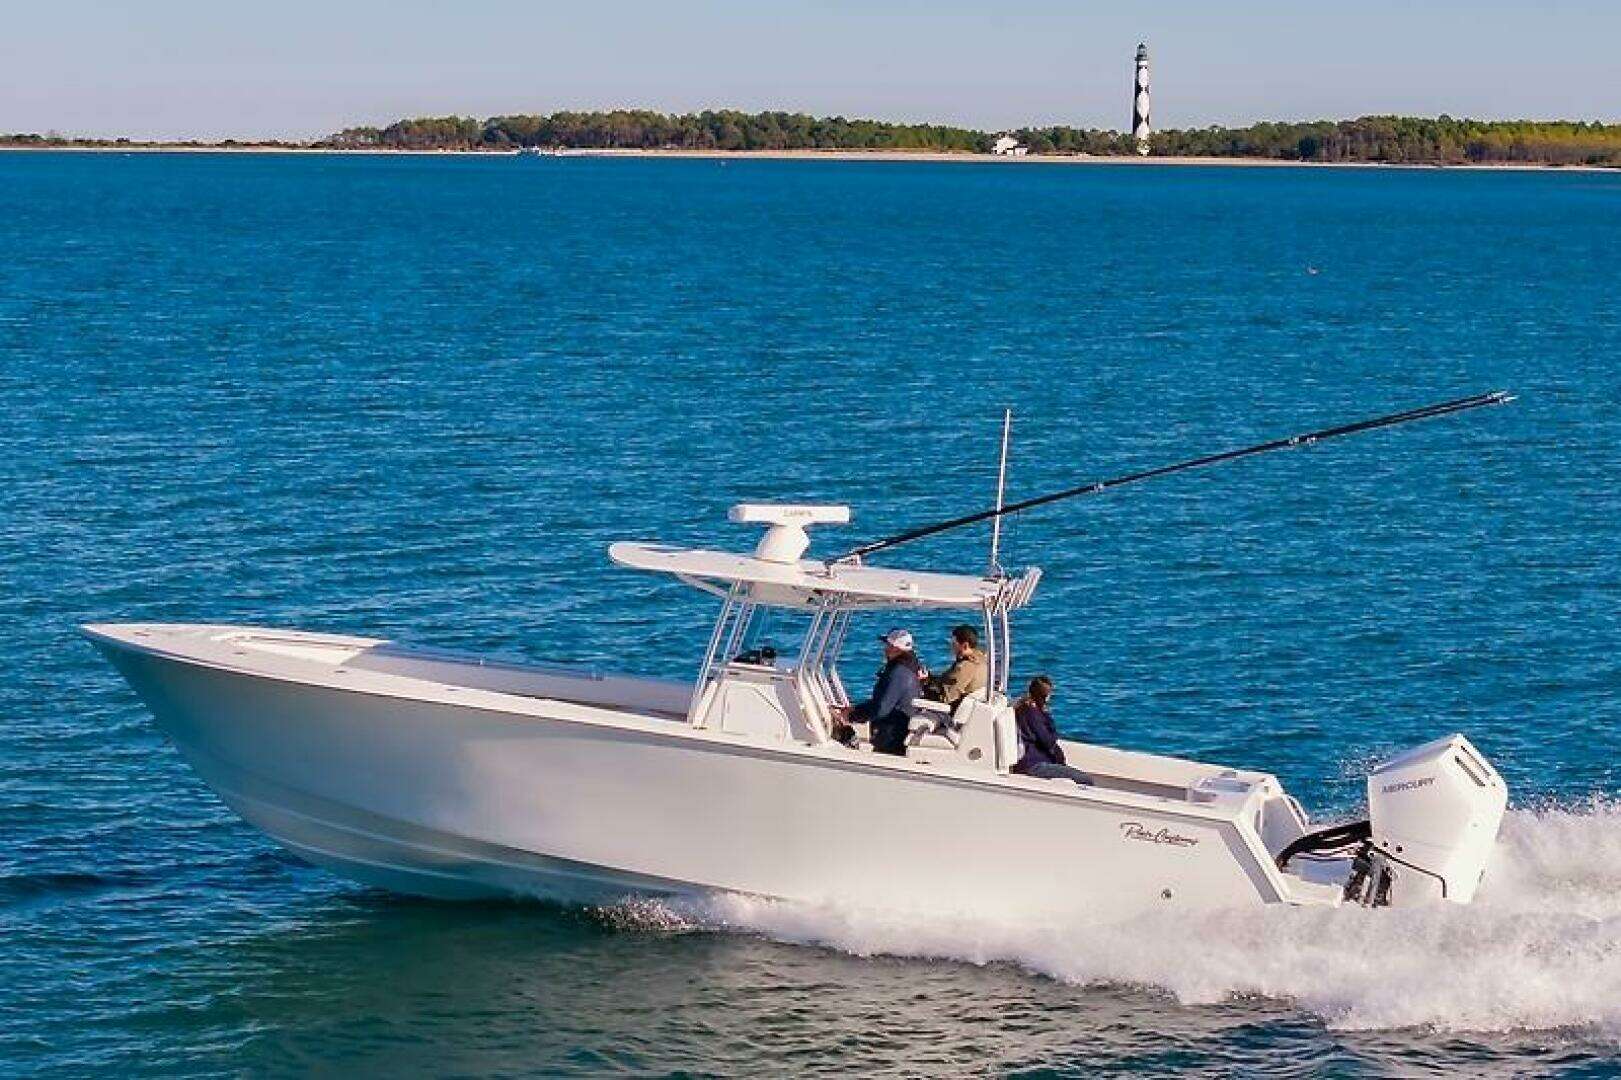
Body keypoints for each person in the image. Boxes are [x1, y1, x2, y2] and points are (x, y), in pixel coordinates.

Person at [832, 628, 923, 756]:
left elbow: (882, 708)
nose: (885, 649)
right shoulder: (909, 668)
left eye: (888, 645)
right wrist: (855, 709)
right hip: (898, 727)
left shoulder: (899, 673)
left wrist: (852, 716)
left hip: (893, 736)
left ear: (896, 649)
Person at [1011, 675, 1093, 786]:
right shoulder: (1033, 713)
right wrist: (1048, 718)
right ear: (1044, 696)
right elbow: (1048, 741)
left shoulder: (1025, 708)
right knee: (1085, 779)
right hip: (1033, 764)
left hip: (1035, 761)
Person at [928, 624, 988, 708]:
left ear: (965, 645)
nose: (951, 647)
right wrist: (930, 679)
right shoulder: (982, 659)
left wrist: (926, 688)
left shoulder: (965, 667)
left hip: (955, 709)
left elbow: (947, 697)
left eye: (954, 643)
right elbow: (950, 680)